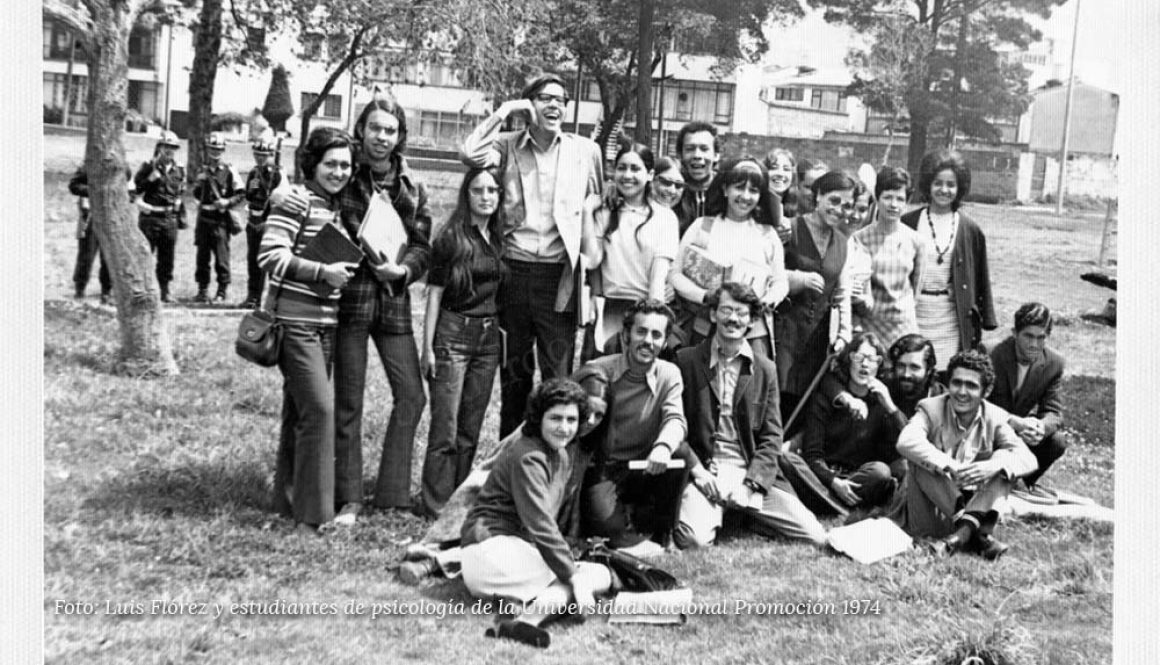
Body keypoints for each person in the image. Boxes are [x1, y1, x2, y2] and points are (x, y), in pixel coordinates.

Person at [276, 97, 433, 520]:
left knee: (412, 395)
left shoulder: (413, 187)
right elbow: (311, 190)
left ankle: (393, 494)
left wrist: (402, 270)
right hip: (349, 304)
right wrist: (283, 193)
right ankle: (349, 497)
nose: (382, 137)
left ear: (400, 136)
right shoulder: (346, 174)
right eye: (375, 128)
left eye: (390, 130)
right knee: (349, 402)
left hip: (393, 304)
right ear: (361, 130)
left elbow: (423, 247)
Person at [460, 73, 604, 438]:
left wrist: (591, 271)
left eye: (560, 99)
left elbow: (596, 209)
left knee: (558, 377)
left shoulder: (585, 151)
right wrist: (505, 111)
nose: (554, 105)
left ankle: (552, 455)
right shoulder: (506, 146)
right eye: (544, 98)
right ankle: (511, 455)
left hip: (560, 278)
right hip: (514, 273)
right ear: (529, 105)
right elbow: (470, 154)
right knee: (515, 376)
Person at [257, 126, 360, 537]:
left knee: (299, 412)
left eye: (345, 165)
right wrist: (322, 271)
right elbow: (270, 255)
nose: (339, 172)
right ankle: (314, 516)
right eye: (330, 164)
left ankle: (287, 501)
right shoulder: (296, 200)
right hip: (296, 322)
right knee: (320, 410)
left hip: (326, 325)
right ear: (312, 164)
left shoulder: (334, 206)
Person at [459, 378, 614, 649]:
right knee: (579, 579)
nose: (564, 427)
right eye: (555, 418)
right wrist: (573, 575)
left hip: (513, 552)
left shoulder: (560, 454)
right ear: (538, 418)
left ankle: (518, 613)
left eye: (571, 419)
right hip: (489, 552)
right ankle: (527, 618)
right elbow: (540, 523)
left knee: (599, 574)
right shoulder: (528, 455)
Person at [673, 283, 828, 548]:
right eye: (726, 310)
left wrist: (751, 484)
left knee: (815, 536)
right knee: (693, 540)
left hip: (749, 472)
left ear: (752, 321)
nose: (733, 318)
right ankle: (732, 513)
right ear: (713, 314)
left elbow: (772, 437)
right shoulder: (686, 361)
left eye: (741, 313)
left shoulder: (765, 369)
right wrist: (698, 472)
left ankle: (745, 513)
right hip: (707, 472)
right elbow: (676, 427)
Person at [418, 167, 508, 518]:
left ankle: (458, 498)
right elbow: (434, 295)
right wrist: (427, 348)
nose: (486, 197)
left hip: (488, 340)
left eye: (492, 190)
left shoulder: (498, 238)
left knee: (471, 426)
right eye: (477, 190)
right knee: (446, 426)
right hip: (453, 335)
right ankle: (435, 503)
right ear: (466, 194)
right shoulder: (450, 238)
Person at [892, 350, 1036, 560]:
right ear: (948, 384)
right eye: (956, 383)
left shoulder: (994, 416)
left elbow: (1028, 459)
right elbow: (906, 441)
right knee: (921, 459)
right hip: (931, 511)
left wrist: (992, 467)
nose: (961, 392)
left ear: (986, 391)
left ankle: (958, 538)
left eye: (971, 386)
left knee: (1005, 462)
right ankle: (975, 535)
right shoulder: (930, 408)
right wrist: (951, 466)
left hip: (973, 504)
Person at [575, 299, 691, 549]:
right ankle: (624, 527)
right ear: (626, 335)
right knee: (609, 531)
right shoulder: (598, 371)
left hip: (647, 465)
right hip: (604, 467)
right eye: (641, 331)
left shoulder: (669, 374)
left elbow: (675, 419)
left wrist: (662, 447)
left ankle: (664, 530)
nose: (648, 341)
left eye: (656, 335)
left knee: (679, 452)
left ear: (664, 342)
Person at [670, 157, 787, 358]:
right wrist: (703, 295)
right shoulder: (702, 226)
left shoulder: (767, 235)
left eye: (753, 191)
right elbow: (675, 274)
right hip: (707, 327)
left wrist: (767, 300)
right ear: (725, 189)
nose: (745, 196)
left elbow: (780, 281)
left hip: (752, 332)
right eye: (739, 188)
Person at [775, 170, 856, 429]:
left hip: (817, 340)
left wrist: (843, 334)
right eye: (834, 200)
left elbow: (842, 293)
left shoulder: (844, 242)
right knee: (775, 398)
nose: (839, 210)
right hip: (783, 332)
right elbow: (766, 272)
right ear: (818, 195)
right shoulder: (789, 228)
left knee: (803, 405)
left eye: (847, 205)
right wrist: (796, 279)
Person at [902, 149, 996, 375]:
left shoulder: (970, 229)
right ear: (928, 184)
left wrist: (986, 317)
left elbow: (981, 277)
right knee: (913, 372)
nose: (944, 190)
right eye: (938, 183)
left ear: (959, 187)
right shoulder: (908, 223)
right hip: (914, 315)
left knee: (948, 374)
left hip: (951, 319)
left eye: (951, 185)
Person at [581, 143, 680, 354]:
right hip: (608, 310)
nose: (627, 175)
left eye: (635, 169)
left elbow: (657, 279)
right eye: (622, 168)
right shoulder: (605, 212)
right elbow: (591, 260)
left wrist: (652, 323)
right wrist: (587, 212)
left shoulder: (665, 218)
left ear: (650, 174)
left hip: (645, 309)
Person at [802, 332, 906, 509]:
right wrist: (833, 481)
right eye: (858, 357)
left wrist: (890, 406)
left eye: (872, 359)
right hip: (824, 477)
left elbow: (906, 442)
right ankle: (835, 502)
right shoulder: (826, 398)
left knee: (881, 471)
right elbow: (812, 455)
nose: (864, 364)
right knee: (788, 460)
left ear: (879, 365)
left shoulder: (881, 404)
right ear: (849, 360)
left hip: (858, 478)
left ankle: (826, 502)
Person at [988, 303, 1068, 503]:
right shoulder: (991, 353)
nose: (1034, 344)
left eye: (1041, 338)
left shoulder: (1054, 363)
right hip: (988, 431)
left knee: (1057, 441)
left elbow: (1054, 412)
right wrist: (1012, 422)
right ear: (1015, 333)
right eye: (1028, 336)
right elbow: (976, 402)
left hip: (1021, 435)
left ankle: (1022, 481)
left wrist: (1040, 427)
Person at [854, 166, 925, 346]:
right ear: (877, 198)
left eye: (900, 199)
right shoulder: (860, 239)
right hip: (870, 324)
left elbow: (916, 288)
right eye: (887, 197)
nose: (893, 205)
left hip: (903, 326)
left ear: (907, 201)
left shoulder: (916, 241)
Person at [133, 130, 187, 303]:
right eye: (166, 147)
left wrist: (178, 203)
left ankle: (164, 290)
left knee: (167, 257)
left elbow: (181, 190)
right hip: (150, 218)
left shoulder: (179, 170)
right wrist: (150, 179)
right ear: (159, 147)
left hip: (169, 218)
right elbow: (136, 189)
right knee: (145, 254)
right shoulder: (148, 166)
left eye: (173, 147)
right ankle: (143, 290)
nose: (169, 151)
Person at [191, 132, 245, 303]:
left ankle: (222, 291)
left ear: (223, 151)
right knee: (202, 257)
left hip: (220, 219)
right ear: (207, 150)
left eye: (218, 150)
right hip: (204, 218)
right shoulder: (202, 171)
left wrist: (227, 202)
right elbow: (197, 194)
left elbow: (241, 194)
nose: (215, 153)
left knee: (222, 257)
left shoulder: (230, 170)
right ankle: (202, 290)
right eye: (212, 149)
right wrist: (199, 184)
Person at [68, 165, 133, 304]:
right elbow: (73, 186)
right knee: (86, 255)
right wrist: (94, 191)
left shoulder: (120, 165)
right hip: (90, 215)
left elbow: (129, 182)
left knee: (109, 256)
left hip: (111, 216)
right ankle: (80, 289)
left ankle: (106, 291)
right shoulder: (89, 165)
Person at [241, 137, 283, 308]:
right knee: (254, 261)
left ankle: (274, 300)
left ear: (270, 155)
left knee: (272, 262)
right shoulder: (254, 173)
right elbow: (249, 196)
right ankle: (253, 297)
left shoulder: (277, 174)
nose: (260, 158)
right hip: (254, 220)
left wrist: (268, 221)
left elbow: (280, 201)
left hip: (270, 223)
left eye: (264, 155)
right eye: (257, 154)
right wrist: (254, 186)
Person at [673, 121, 720, 235]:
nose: (697, 155)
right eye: (690, 149)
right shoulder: (671, 189)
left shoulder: (725, 192)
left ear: (716, 155)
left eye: (704, 149)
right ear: (680, 155)